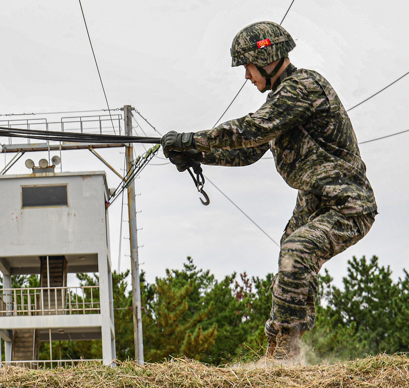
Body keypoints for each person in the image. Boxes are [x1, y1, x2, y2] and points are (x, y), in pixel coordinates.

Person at [161, 22, 376, 364]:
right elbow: (246, 151)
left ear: (267, 58)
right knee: (290, 257)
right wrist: (195, 154)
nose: (247, 76)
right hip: (314, 201)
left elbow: (253, 129)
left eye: (247, 66)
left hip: (347, 203)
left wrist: (193, 139)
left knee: (297, 249)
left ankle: (285, 355)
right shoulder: (281, 102)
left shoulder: (302, 88)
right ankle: (281, 347)